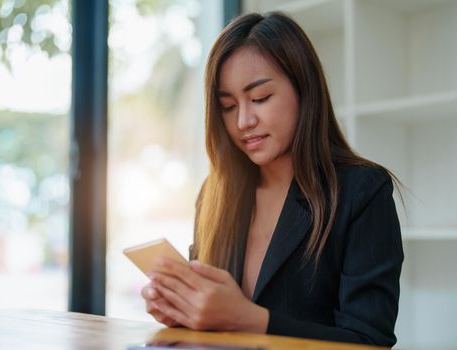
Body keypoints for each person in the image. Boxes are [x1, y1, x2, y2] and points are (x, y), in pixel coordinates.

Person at [141, 12, 404, 347]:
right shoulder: (215, 195)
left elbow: (369, 341)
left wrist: (249, 319)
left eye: (260, 98)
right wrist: (182, 310)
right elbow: (213, 328)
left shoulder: (361, 192)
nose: (243, 121)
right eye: (227, 106)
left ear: (303, 90)